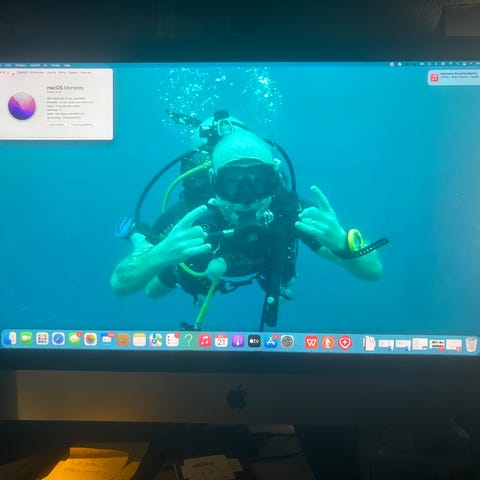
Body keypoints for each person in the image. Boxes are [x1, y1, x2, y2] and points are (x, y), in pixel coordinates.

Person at [110, 112, 386, 330]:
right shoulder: (190, 217)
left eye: (259, 182)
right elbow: (120, 285)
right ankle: (139, 239)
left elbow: (373, 270)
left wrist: (342, 243)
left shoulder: (291, 212)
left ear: (274, 179)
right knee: (154, 290)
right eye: (232, 183)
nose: (247, 198)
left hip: (256, 266)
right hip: (197, 268)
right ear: (214, 182)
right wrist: (157, 255)